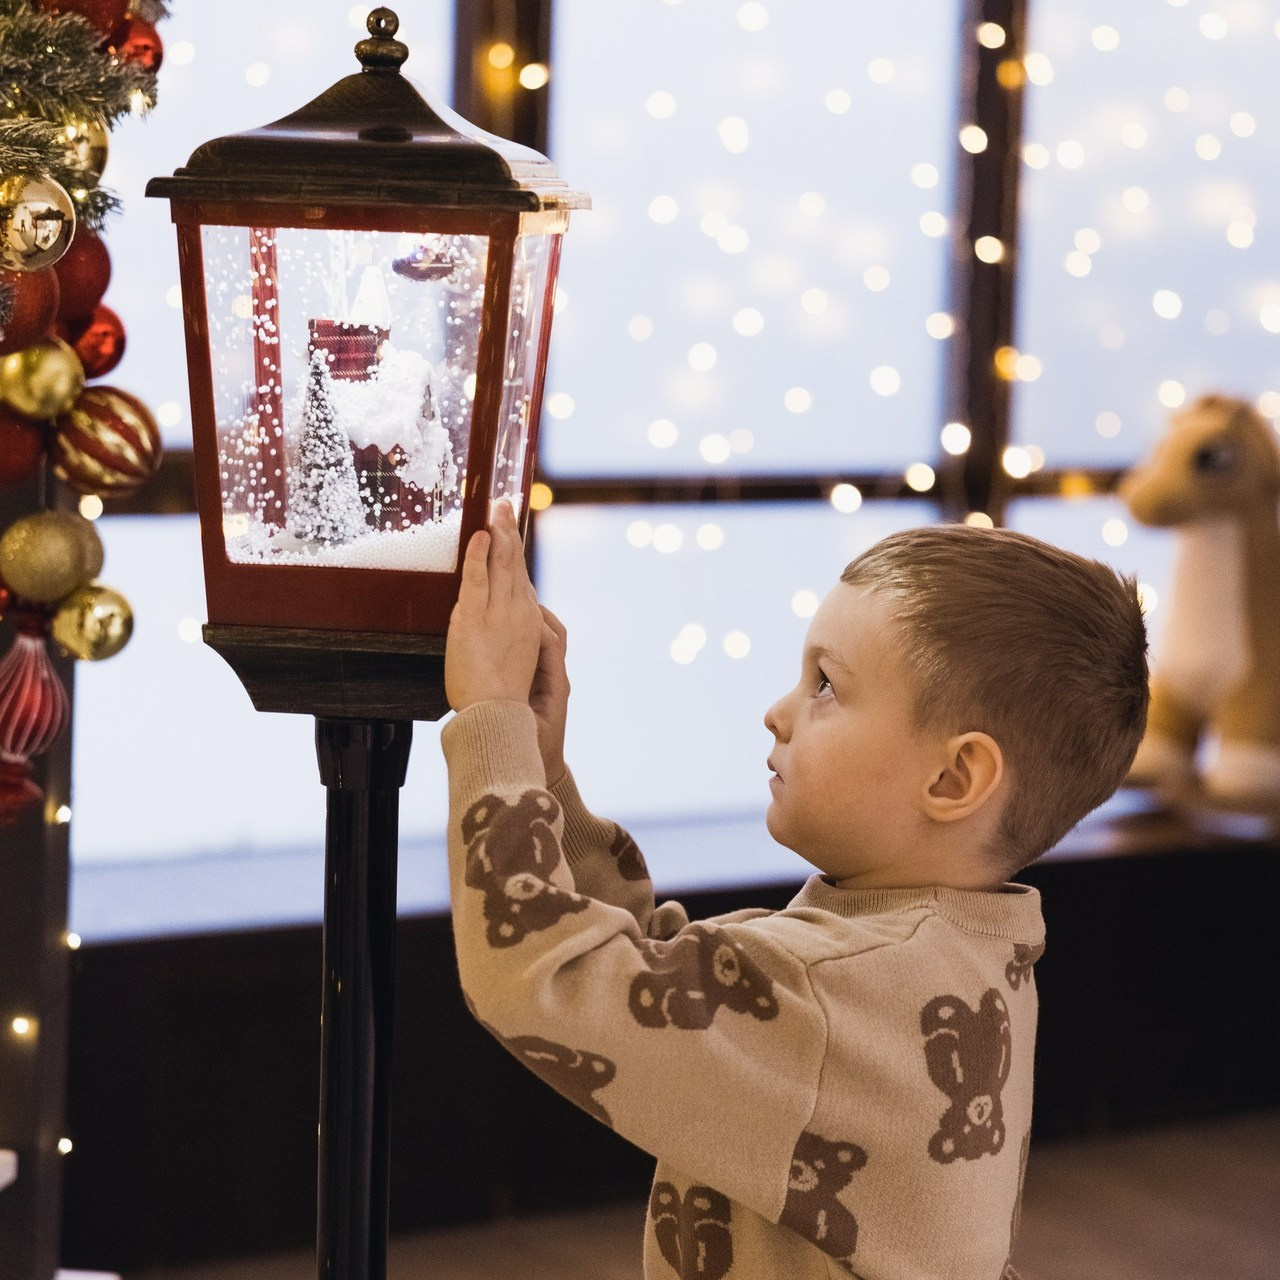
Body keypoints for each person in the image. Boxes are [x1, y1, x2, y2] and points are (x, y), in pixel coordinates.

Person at [441, 500, 1149, 1280]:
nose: (778, 712)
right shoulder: (962, 951)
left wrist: (492, 722)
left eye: (826, 685)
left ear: (952, 778)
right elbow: (663, 977)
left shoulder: (831, 990)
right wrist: (542, 778)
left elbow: (545, 979)